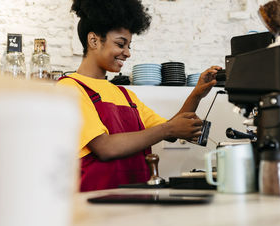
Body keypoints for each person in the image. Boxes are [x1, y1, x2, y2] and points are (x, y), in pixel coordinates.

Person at [58, 0, 222, 192]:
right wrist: (169, 129)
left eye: (129, 46)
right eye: (121, 44)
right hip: (95, 206)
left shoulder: (125, 95)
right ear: (94, 40)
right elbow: (105, 147)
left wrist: (197, 93)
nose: (127, 53)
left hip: (136, 201)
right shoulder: (70, 88)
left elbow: (171, 130)